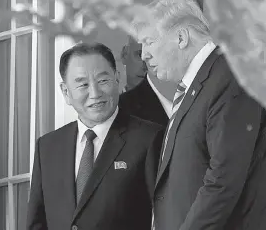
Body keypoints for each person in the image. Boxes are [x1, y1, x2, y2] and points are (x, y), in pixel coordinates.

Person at [135, 0, 266, 230]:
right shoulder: (204, 82)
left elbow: (223, 179)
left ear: (181, 37)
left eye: (148, 41)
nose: (143, 54)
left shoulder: (230, 77)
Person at [27, 43, 164, 230]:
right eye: (83, 84)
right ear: (66, 92)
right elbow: (37, 223)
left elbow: (165, 218)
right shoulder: (48, 147)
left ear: (117, 79)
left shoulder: (150, 138)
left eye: (103, 81)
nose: (95, 93)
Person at [119, 35, 176, 126]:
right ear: (124, 55)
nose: (146, 65)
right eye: (139, 54)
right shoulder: (113, 109)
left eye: (153, 56)